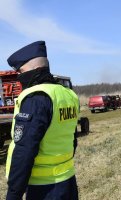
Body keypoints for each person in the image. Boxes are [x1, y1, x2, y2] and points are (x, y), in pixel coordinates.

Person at [5, 41, 79, 200]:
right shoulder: (68, 95)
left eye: (21, 72)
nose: (19, 76)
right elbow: (72, 138)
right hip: (68, 181)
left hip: (44, 189)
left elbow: (25, 150)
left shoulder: (36, 98)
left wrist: (14, 194)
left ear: (33, 69)